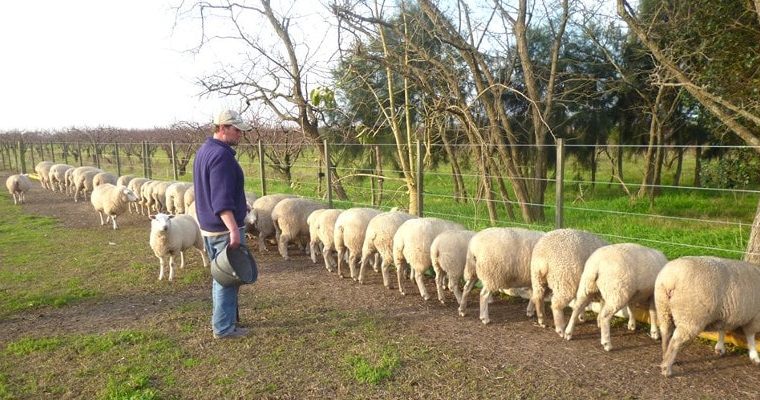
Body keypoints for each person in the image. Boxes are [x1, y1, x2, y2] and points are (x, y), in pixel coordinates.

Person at [193, 109, 252, 339]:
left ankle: (227, 321)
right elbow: (220, 200)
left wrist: (240, 203)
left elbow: (213, 190)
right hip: (222, 230)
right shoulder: (222, 157)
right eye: (236, 130)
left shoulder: (205, 150)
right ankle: (224, 328)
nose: (240, 134)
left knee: (223, 276)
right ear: (223, 127)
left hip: (209, 227)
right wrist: (233, 230)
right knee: (226, 279)